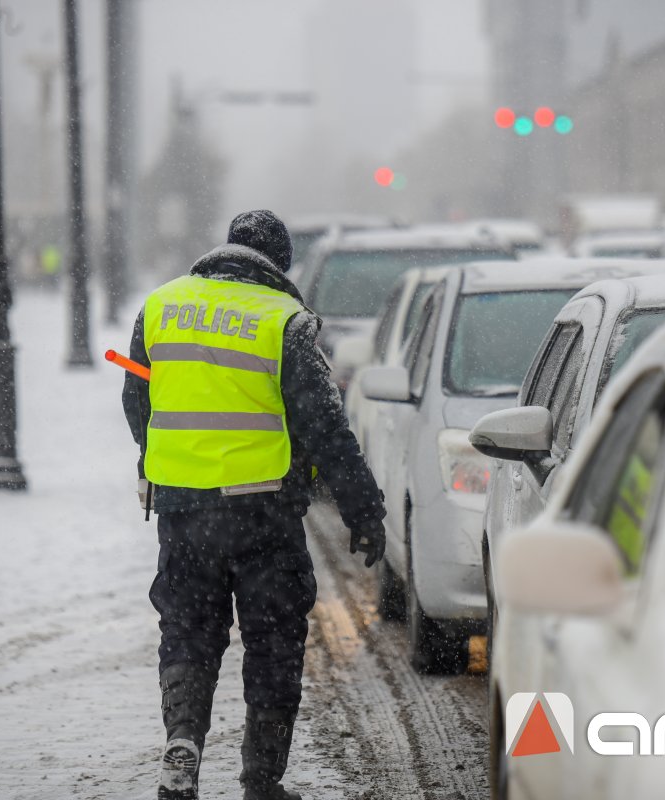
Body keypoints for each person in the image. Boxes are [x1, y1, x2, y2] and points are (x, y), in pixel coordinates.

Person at [122, 209, 386, 800]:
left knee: (188, 631)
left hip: (183, 513)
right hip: (263, 516)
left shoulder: (161, 307)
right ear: (279, 264)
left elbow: (137, 400)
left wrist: (166, 461)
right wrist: (363, 509)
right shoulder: (283, 321)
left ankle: (183, 743)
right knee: (273, 641)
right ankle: (261, 780)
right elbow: (326, 428)